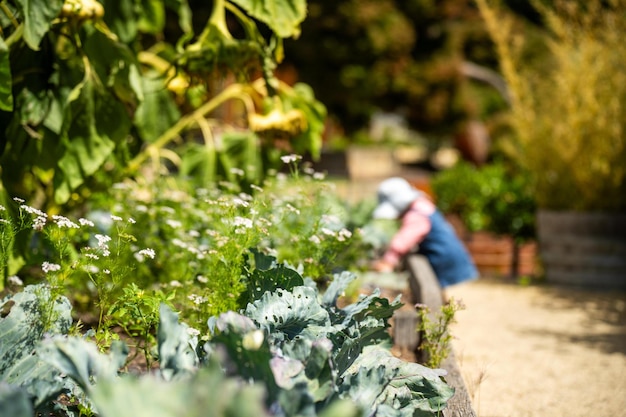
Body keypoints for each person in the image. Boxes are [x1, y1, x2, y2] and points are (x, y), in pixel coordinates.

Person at [372, 177, 478, 291]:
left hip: (446, 262)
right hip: (452, 259)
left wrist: (389, 260)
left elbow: (405, 239)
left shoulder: (417, 214)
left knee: (454, 296)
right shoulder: (423, 206)